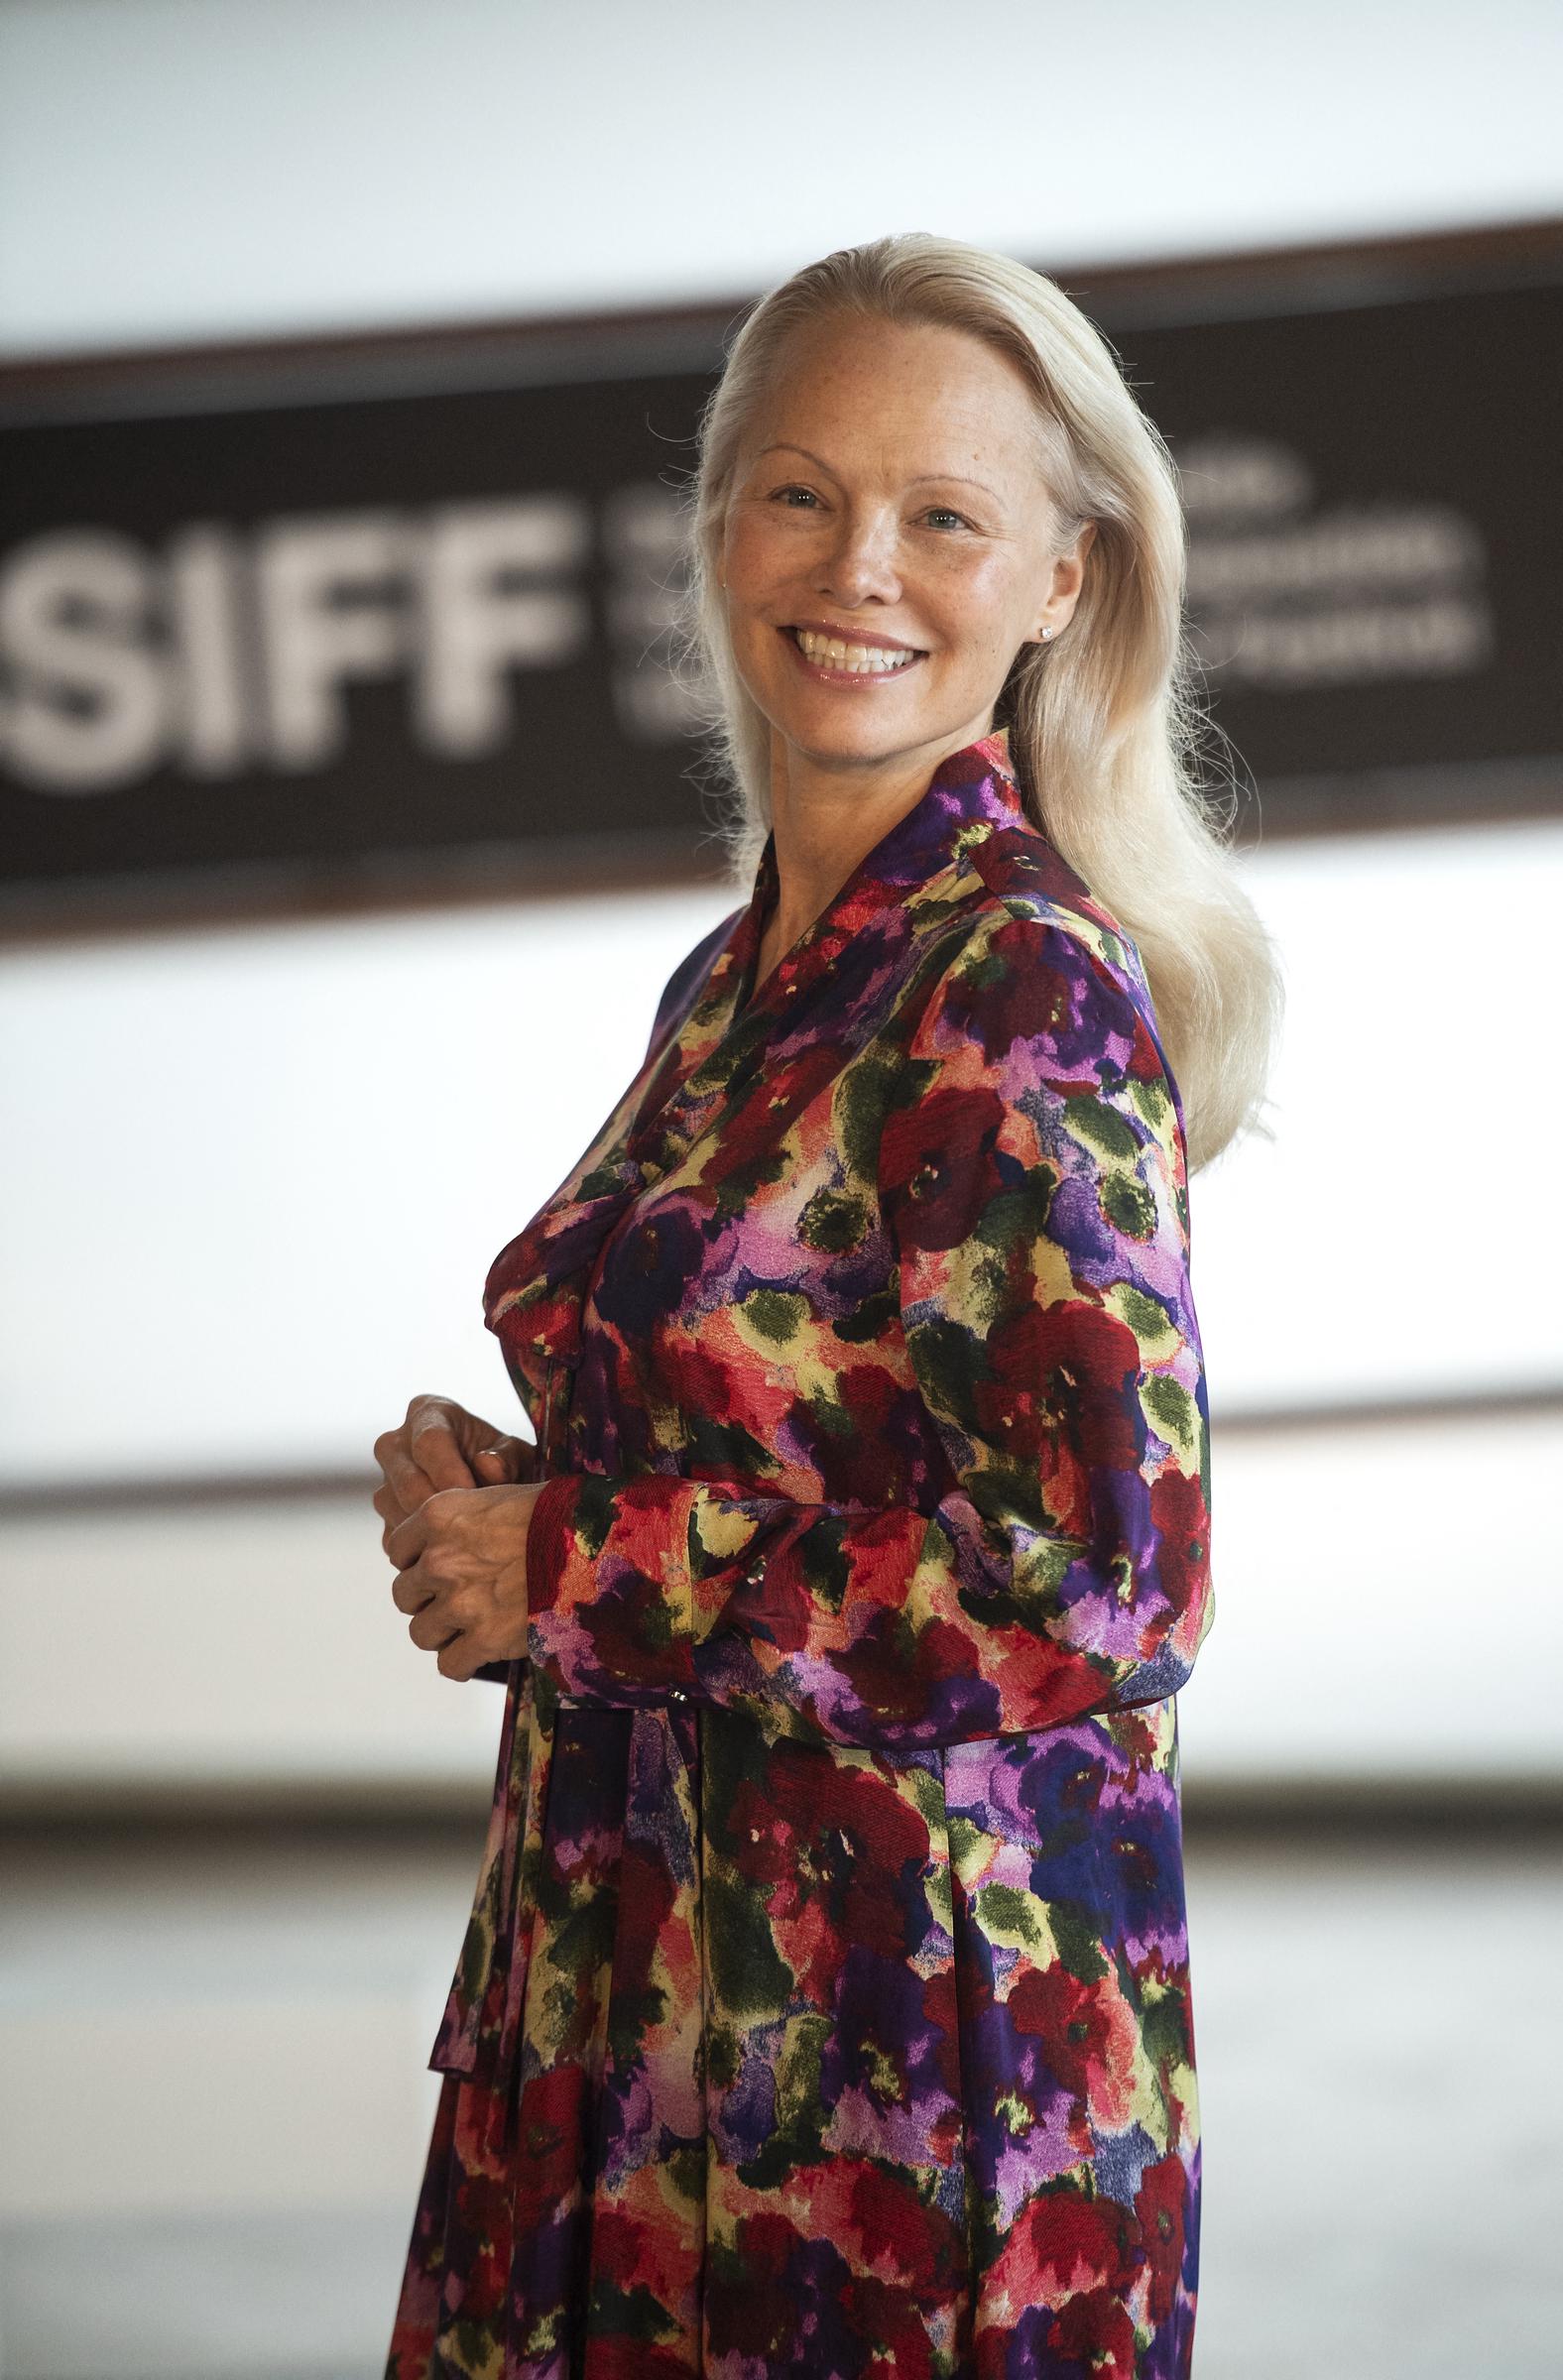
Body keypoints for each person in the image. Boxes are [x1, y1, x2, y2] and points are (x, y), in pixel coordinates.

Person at [375, 232, 1279, 2380]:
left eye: (942, 516)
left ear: (1056, 581)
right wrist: (523, 1506)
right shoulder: (745, 970)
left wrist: (576, 1563)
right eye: (800, 492)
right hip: (642, 1995)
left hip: (891, 2075)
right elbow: (786, 1447)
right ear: (718, 525)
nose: (857, 566)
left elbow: (1099, 1591)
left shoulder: (1018, 983)